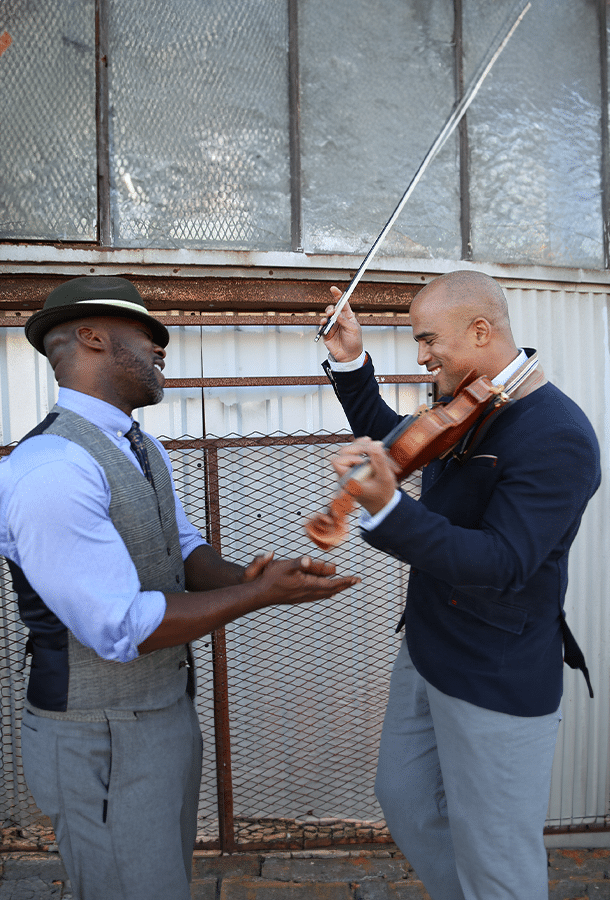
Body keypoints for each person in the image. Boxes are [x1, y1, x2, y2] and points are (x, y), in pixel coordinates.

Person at [0, 275, 359, 900]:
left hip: (159, 713)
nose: (162, 347)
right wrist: (259, 595)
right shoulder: (51, 468)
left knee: (160, 878)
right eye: (148, 335)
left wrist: (248, 576)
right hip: (99, 732)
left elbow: (183, 548)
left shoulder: (142, 445)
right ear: (91, 336)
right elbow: (118, 626)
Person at [318, 270, 600, 900]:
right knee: (407, 800)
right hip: (426, 646)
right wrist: (351, 362)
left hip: (494, 669)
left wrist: (390, 509)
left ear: (480, 330)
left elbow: (503, 564)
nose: (420, 355)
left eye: (427, 340)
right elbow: (404, 441)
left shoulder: (557, 436)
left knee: (497, 854)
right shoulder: (471, 404)